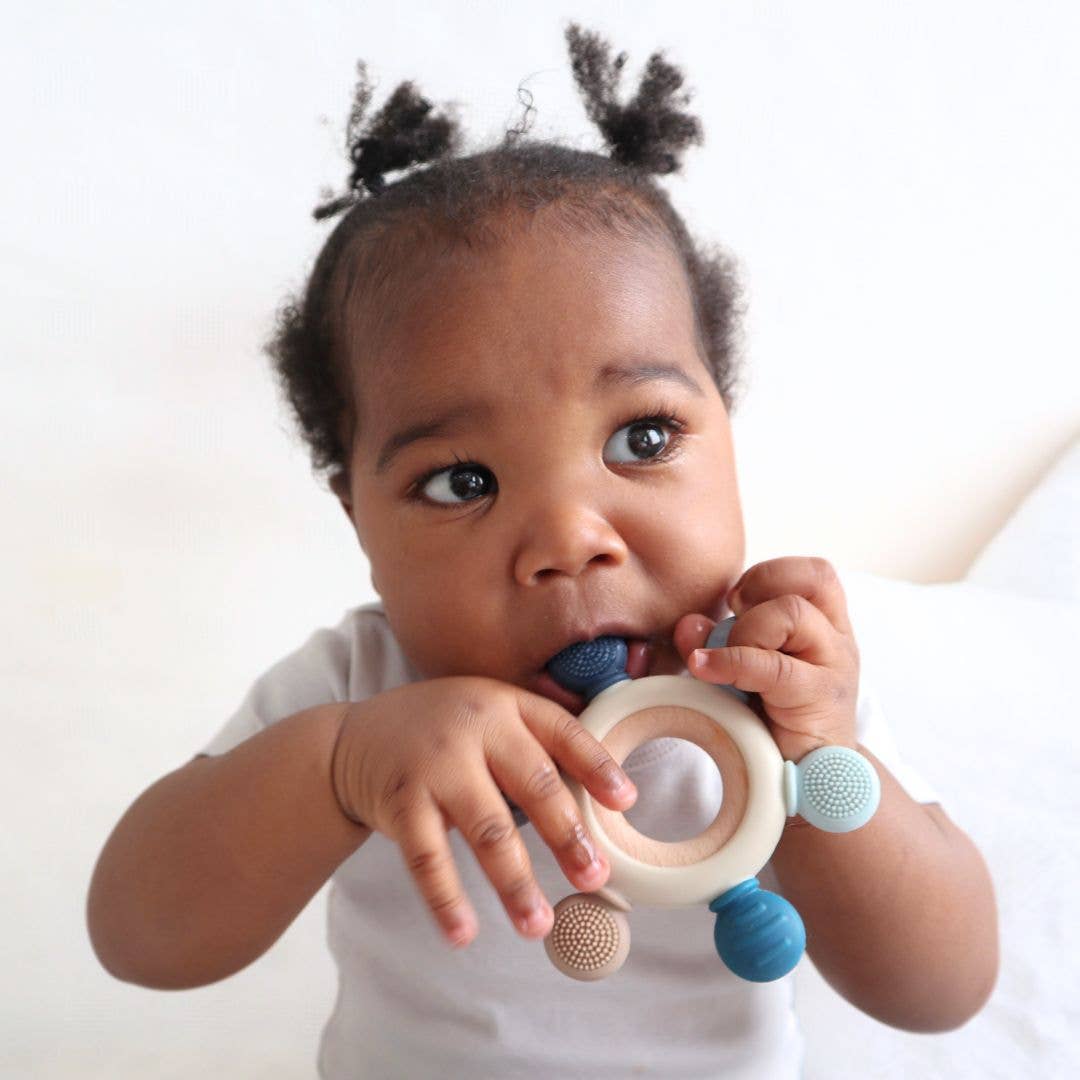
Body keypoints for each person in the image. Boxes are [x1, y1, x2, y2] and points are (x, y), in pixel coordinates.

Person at [86, 23, 998, 1079]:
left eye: (642, 439)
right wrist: (338, 769)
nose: (570, 540)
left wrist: (823, 761)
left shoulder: (775, 686)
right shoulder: (361, 689)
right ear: (359, 522)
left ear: (728, 433)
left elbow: (942, 990)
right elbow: (140, 940)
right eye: (462, 482)